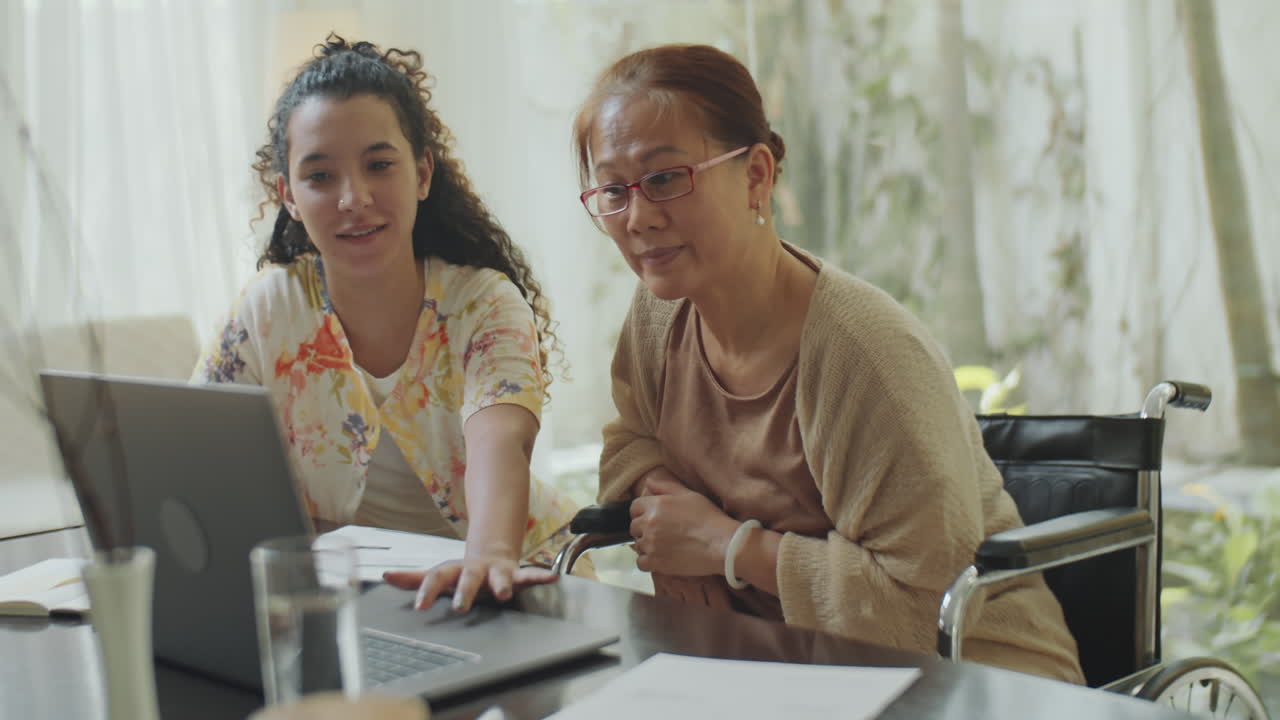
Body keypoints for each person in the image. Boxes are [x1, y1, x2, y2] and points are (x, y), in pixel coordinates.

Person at [574, 43, 1084, 683]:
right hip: (777, 667)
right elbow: (631, 437)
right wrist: (667, 522)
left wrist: (725, 548)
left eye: (666, 178)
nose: (639, 218)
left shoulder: (866, 356)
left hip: (973, 676)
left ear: (756, 175)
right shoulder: (658, 317)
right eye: (614, 190)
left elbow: (920, 605)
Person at [193, 35, 580, 612]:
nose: (354, 198)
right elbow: (193, 445)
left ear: (422, 174)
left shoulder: (483, 303)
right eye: (320, 176)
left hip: (511, 579)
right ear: (289, 196)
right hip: (364, 596)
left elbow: (499, 443)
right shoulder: (268, 308)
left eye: (379, 165)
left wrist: (490, 553)